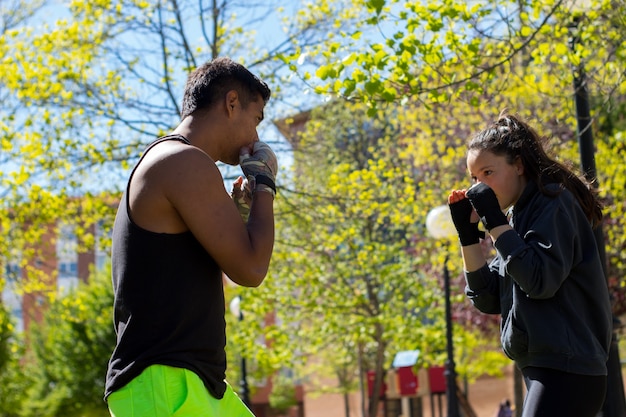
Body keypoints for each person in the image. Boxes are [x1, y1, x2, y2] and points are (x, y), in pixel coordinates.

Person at [104, 57, 277, 416]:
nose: (256, 137)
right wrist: (265, 184)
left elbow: (215, 261)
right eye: (256, 119)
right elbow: (251, 269)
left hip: (195, 384)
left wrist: (239, 212)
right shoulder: (183, 161)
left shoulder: (177, 162)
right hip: (164, 384)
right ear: (232, 103)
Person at [447, 112, 612, 417]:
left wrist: (495, 222)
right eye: (474, 179)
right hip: (546, 370)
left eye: (488, 173)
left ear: (518, 165)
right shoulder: (516, 219)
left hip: (569, 370)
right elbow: (488, 297)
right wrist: (468, 237)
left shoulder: (553, 203)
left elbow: (539, 280)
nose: (478, 188)